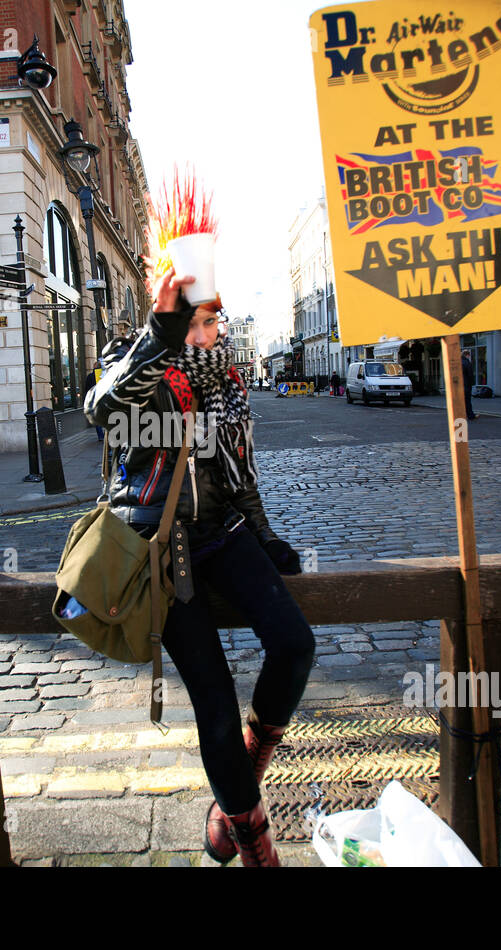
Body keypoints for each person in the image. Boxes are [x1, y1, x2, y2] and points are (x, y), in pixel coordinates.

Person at [85, 268, 315, 867]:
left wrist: (263, 533)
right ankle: (254, 842)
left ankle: (241, 782)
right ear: (181, 322)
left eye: (217, 320)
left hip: (219, 532)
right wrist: (160, 336)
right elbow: (102, 408)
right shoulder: (138, 357)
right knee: (214, 700)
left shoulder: (226, 380)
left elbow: (237, 476)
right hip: (158, 544)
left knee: (294, 644)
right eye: (207, 321)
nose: (217, 332)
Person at [83, 360, 105, 441]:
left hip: (94, 401)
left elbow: (87, 389)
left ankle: (101, 436)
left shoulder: (90, 376)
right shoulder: (104, 375)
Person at [461, 346, 477, 420]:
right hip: (466, 385)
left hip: (460, 385)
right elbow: (470, 375)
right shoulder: (467, 363)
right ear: (467, 355)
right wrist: (472, 383)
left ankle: (462, 415)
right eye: (469, 355)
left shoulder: (458, 362)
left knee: (462, 401)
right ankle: (470, 415)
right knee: (467, 401)